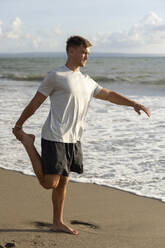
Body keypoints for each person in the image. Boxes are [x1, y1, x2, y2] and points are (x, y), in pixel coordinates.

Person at [13, 35, 150, 235]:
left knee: (64, 182)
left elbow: (109, 95)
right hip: (55, 135)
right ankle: (28, 142)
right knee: (50, 183)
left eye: (88, 53)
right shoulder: (56, 76)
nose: (86, 56)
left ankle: (57, 222)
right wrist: (19, 125)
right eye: (84, 52)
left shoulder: (87, 81)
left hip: (74, 138)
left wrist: (133, 103)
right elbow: (36, 102)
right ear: (71, 51)